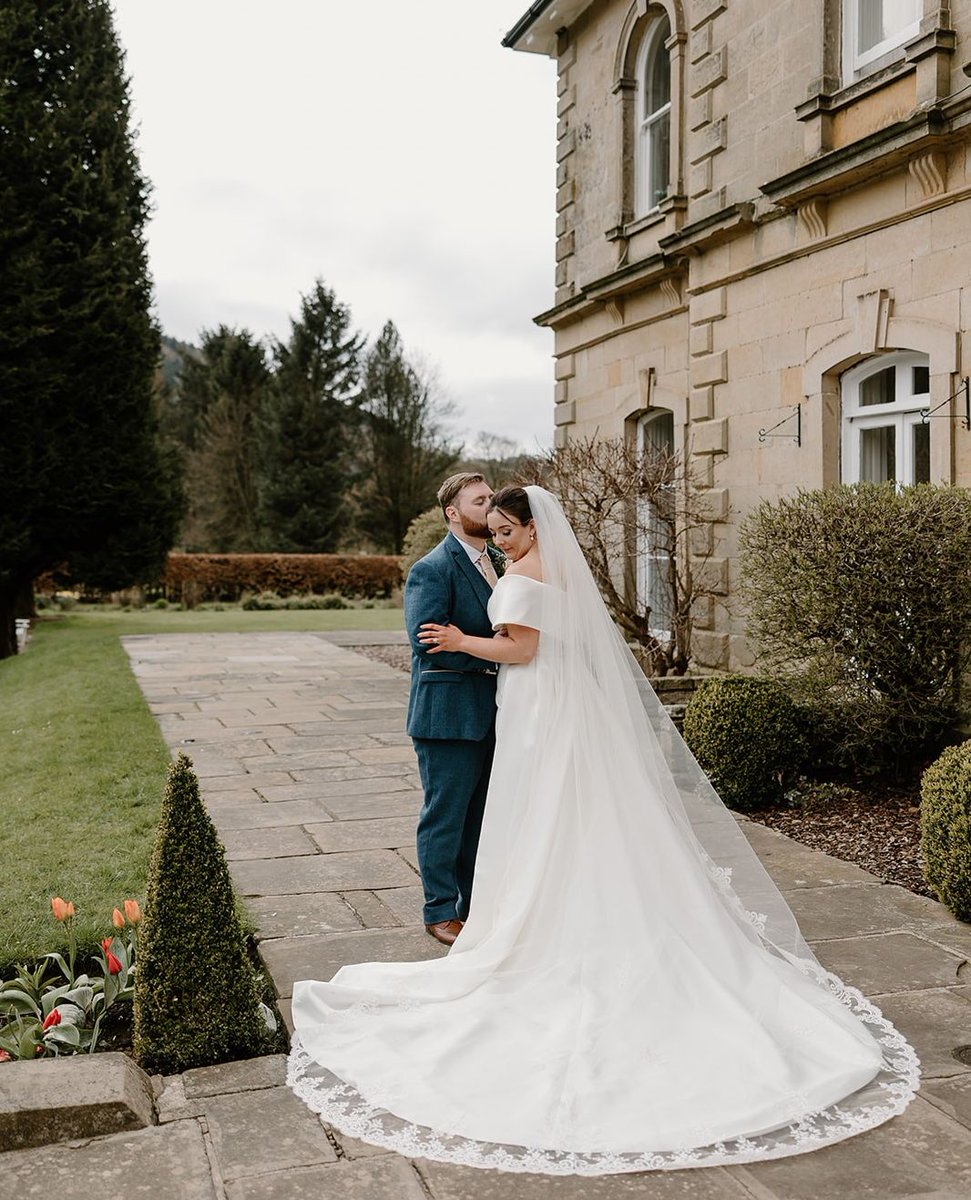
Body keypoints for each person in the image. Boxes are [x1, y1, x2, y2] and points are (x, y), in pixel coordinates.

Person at [288, 485, 919, 1175]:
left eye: (506, 528)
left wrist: (463, 639)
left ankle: (545, 924)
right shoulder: (547, 568)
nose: (499, 538)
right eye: (491, 529)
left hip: (537, 704)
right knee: (560, 815)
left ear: (532, 527)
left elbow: (522, 651)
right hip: (548, 706)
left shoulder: (528, 575)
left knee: (546, 814)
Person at [402, 472, 505, 946]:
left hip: (494, 711)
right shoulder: (432, 568)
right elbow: (429, 644)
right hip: (447, 715)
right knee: (445, 816)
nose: (490, 505)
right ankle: (439, 911)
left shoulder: (496, 562)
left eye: (491, 498)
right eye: (480, 500)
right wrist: (491, 648)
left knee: (480, 816)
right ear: (453, 513)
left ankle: (471, 906)